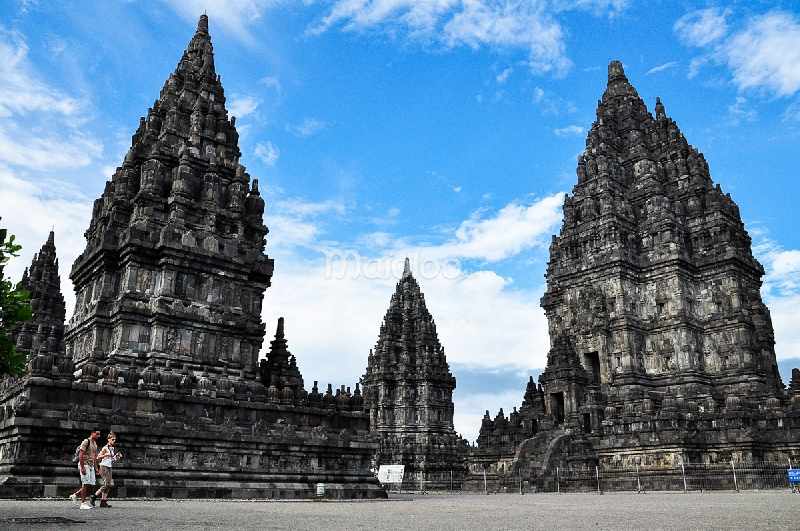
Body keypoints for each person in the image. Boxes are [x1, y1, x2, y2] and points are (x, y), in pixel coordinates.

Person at [70, 430, 100, 510]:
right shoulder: (86, 441)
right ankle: (83, 503)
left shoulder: (95, 444)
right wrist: (82, 467)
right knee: (85, 483)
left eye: (99, 434)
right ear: (92, 433)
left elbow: (94, 457)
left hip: (91, 465)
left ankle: (75, 495)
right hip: (85, 464)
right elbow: (81, 455)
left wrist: (96, 468)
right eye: (97, 434)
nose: (98, 436)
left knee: (91, 484)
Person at [94, 432, 123, 508]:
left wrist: (117, 457)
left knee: (109, 485)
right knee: (106, 484)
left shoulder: (112, 448)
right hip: (103, 467)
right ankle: (93, 496)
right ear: (108, 439)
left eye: (115, 439)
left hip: (109, 467)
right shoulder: (105, 448)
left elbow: (112, 460)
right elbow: (98, 457)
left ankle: (103, 502)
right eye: (112, 439)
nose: (114, 441)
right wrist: (105, 455)